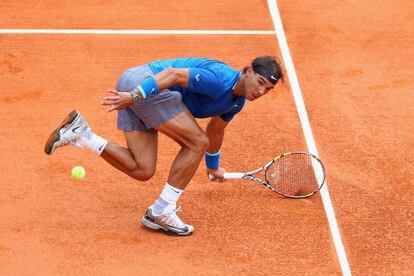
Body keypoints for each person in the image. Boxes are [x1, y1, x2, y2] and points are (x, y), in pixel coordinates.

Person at [44, 56, 283, 236]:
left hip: (141, 88)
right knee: (197, 142)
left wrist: (213, 166)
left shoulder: (236, 102)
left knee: (142, 169)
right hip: (145, 85)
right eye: (260, 82)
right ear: (249, 71)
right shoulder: (220, 80)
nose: (261, 91)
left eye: (268, 89)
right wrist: (134, 96)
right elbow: (172, 75)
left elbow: (216, 129)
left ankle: (82, 135)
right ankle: (162, 210)